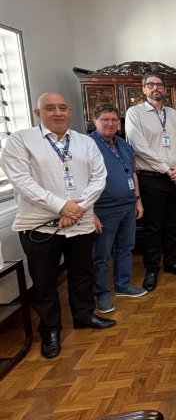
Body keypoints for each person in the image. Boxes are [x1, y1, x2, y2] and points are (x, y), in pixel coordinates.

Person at [0, 92, 114, 359]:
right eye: (50, 108)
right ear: (38, 113)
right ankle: (51, 330)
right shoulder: (20, 140)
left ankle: (84, 315)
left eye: (63, 108)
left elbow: (99, 178)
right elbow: (22, 182)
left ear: (70, 112)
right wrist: (61, 206)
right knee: (44, 281)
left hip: (80, 223)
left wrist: (77, 210)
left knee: (82, 273)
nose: (58, 112)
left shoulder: (85, 142)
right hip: (40, 226)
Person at [125, 73, 176, 291]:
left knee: (173, 224)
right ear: (144, 89)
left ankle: (172, 262)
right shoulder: (135, 113)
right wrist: (166, 168)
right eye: (151, 85)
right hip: (151, 178)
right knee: (152, 227)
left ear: (164, 89)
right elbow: (139, 146)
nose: (156, 88)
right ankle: (152, 269)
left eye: (159, 85)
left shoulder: (171, 113)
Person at [90, 105, 146, 314]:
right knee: (101, 254)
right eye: (105, 120)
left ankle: (123, 285)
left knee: (126, 247)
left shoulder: (123, 144)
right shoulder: (89, 145)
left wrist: (137, 200)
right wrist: (90, 213)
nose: (111, 124)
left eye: (114, 120)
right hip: (103, 209)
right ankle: (102, 293)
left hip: (127, 205)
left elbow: (132, 173)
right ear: (95, 122)